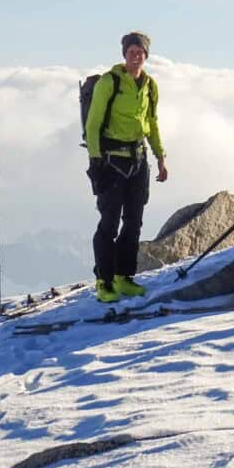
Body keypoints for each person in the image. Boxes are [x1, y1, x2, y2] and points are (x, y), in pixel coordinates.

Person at [85, 31, 168, 303]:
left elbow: (152, 123)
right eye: (131, 51)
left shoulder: (149, 86)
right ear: (124, 54)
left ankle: (124, 277)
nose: (136, 56)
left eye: (140, 52)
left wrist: (161, 158)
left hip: (139, 159)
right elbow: (94, 123)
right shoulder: (110, 82)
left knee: (133, 222)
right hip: (111, 160)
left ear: (146, 55)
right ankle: (104, 281)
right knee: (109, 222)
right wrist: (95, 161)